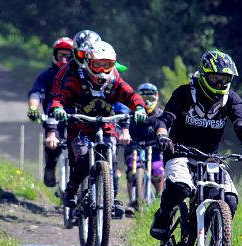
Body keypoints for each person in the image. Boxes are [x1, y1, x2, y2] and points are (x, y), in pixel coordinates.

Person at [150, 49, 242, 240]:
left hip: (211, 158)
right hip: (179, 153)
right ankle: (163, 214)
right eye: (215, 78)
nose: (220, 84)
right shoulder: (184, 93)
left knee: (229, 200)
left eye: (225, 79)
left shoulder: (232, 99)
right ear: (203, 74)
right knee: (181, 188)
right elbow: (165, 118)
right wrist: (162, 136)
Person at [47, 40, 148, 209]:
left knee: (112, 156)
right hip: (80, 128)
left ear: (113, 64)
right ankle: (71, 190)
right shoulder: (77, 80)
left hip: (107, 127)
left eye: (106, 65)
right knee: (84, 158)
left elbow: (131, 95)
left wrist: (139, 108)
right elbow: (61, 97)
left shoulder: (115, 82)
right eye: (97, 65)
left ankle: (112, 199)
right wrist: (57, 107)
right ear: (88, 63)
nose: (102, 70)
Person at [27, 36, 74, 187]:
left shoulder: (78, 74)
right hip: (53, 116)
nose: (64, 59)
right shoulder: (47, 74)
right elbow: (36, 93)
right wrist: (33, 108)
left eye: (68, 55)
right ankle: (50, 167)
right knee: (53, 143)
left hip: (75, 115)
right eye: (61, 55)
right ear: (55, 55)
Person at [124, 83, 165, 208]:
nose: (147, 102)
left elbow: (165, 128)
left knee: (158, 171)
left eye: (150, 99)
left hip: (155, 150)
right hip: (134, 148)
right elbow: (122, 127)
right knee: (131, 171)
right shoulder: (130, 115)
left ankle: (159, 199)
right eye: (143, 99)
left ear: (156, 99)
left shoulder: (160, 115)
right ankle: (133, 201)